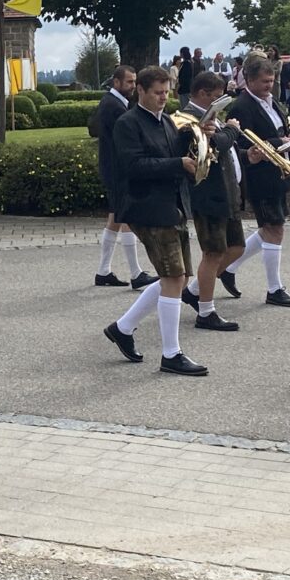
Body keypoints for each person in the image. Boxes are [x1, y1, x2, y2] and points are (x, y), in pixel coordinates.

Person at [100, 66, 209, 376]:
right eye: (158, 93)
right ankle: (171, 354)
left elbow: (173, 153)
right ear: (141, 92)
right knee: (174, 277)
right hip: (146, 206)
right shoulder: (128, 123)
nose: (164, 98)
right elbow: (134, 166)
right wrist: (178, 163)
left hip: (171, 205)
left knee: (176, 278)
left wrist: (200, 140)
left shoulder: (167, 121)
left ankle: (123, 328)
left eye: (167, 92)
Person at [220, 57, 290, 307]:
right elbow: (241, 145)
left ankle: (228, 268)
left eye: (272, 80)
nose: (270, 85)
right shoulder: (241, 107)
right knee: (274, 228)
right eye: (265, 81)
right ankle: (274, 289)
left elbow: (278, 131)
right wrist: (280, 143)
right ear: (250, 80)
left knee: (270, 227)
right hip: (259, 175)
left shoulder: (271, 101)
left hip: (277, 171)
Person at [181, 71, 245, 331]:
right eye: (217, 97)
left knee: (237, 247)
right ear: (202, 94)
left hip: (227, 191)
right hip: (208, 195)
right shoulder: (188, 118)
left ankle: (194, 291)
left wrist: (247, 154)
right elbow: (215, 145)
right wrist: (232, 130)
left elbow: (225, 149)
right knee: (213, 253)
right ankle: (206, 312)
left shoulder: (211, 116)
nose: (220, 102)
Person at [93, 66, 157, 291]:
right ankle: (136, 273)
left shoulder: (112, 102)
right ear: (116, 82)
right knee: (127, 218)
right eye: (129, 82)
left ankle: (103, 271)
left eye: (134, 81)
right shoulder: (114, 106)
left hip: (114, 169)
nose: (133, 86)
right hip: (118, 171)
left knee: (116, 220)